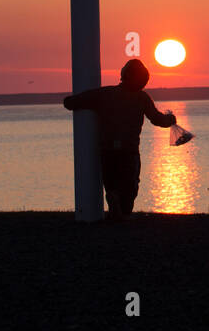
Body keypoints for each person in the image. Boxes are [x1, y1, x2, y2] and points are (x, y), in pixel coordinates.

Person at [62, 58, 176, 221]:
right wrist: (170, 120)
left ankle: (115, 203)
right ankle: (123, 212)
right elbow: (157, 119)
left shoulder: (105, 94)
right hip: (129, 150)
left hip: (107, 149)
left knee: (112, 183)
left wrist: (69, 101)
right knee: (130, 185)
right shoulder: (142, 98)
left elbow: (73, 102)